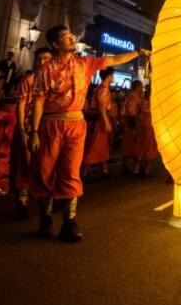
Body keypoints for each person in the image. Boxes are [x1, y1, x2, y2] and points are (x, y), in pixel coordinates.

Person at [28, 25, 146, 242]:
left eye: (71, 35)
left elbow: (114, 60)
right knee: (45, 171)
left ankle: (69, 222)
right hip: (51, 125)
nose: (72, 38)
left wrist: (138, 52)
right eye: (65, 37)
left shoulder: (85, 63)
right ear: (55, 44)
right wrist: (34, 131)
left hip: (76, 125)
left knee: (71, 171)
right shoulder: (46, 70)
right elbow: (39, 101)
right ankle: (45, 218)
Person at [13, 47, 52, 220]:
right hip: (29, 127)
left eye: (47, 58)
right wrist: (22, 129)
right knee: (24, 164)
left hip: (47, 127)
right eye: (40, 59)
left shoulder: (55, 80)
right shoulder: (28, 80)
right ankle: (22, 201)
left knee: (46, 165)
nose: (43, 62)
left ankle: (47, 205)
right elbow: (20, 106)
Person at [82, 69, 114, 179]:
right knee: (95, 146)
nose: (113, 78)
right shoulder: (103, 89)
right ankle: (84, 173)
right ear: (108, 76)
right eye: (112, 75)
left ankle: (104, 170)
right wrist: (106, 121)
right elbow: (102, 107)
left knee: (102, 145)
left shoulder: (99, 88)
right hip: (100, 121)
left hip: (98, 119)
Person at [123, 80, 145, 176]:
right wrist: (133, 128)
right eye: (141, 87)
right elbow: (131, 112)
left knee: (129, 146)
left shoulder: (132, 96)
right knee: (133, 146)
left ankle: (129, 166)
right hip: (133, 124)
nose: (142, 89)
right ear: (137, 87)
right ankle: (135, 168)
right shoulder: (133, 97)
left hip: (131, 123)